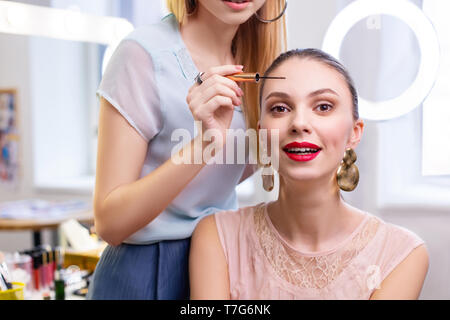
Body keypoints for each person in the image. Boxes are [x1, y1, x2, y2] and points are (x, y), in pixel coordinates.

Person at [189, 48, 429, 300]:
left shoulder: (400, 254)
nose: (299, 123)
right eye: (280, 108)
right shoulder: (218, 236)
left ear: (354, 133)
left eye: (323, 106)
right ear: (262, 135)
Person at [87, 0, 287, 300]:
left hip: (219, 262)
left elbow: (219, 181)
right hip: (145, 272)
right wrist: (204, 144)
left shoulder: (261, 68)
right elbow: (110, 223)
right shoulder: (142, 54)